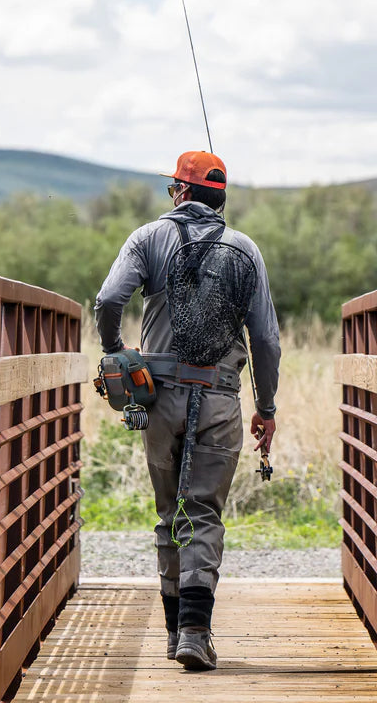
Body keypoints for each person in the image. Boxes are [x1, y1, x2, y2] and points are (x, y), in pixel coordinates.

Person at [94, 150, 280, 671]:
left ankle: (177, 628)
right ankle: (195, 633)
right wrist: (266, 405)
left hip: (158, 397)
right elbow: (264, 338)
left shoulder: (149, 237)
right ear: (220, 198)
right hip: (220, 397)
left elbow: (110, 299)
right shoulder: (245, 249)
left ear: (180, 191)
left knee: (168, 513)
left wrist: (114, 351)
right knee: (202, 511)